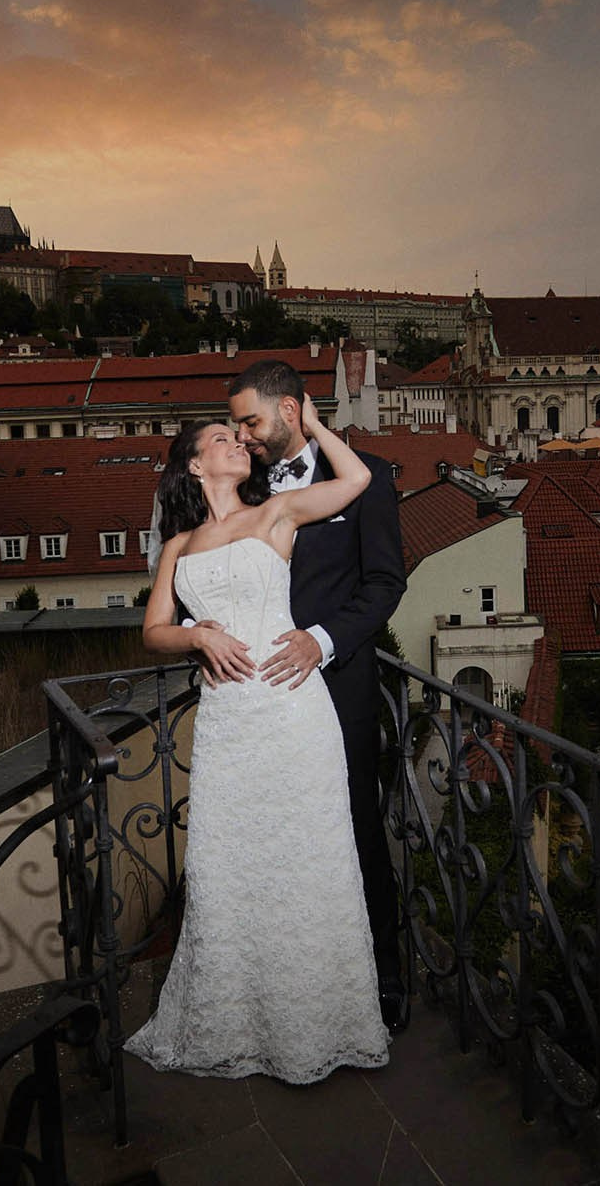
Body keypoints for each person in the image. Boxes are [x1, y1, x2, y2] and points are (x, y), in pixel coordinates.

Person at [126, 396, 389, 1083]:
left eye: (240, 433)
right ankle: (242, 1020)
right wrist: (196, 633)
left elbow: (357, 480)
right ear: (194, 461)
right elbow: (153, 631)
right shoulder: (179, 547)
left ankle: (321, 1024)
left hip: (292, 712)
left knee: (310, 863)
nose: (237, 442)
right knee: (227, 868)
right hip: (226, 724)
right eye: (221, 437)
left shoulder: (276, 512)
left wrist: (312, 426)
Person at [225, 359, 410, 1032]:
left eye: (250, 420)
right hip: (262, 698)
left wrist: (322, 640)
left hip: (338, 688)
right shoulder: (238, 488)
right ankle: (300, 978)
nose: (241, 435)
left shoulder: (367, 477)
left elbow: (386, 584)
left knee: (357, 827)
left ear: (290, 410)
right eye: (236, 424)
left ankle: (385, 975)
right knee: (283, 835)